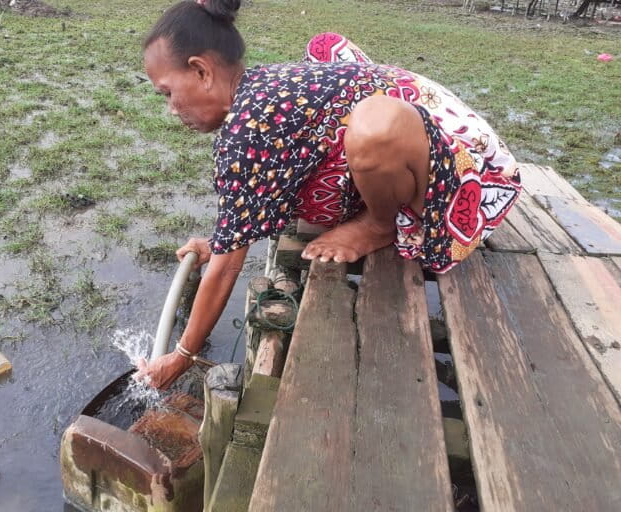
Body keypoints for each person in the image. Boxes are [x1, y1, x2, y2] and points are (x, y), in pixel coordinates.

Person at [134, 0, 521, 389]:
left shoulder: (248, 127)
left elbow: (225, 270)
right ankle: (381, 190)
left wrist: (181, 356)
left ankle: (379, 225)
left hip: (473, 177)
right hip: (435, 137)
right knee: (325, 50)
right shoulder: (257, 95)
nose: (171, 110)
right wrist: (219, 241)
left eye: (167, 93)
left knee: (374, 126)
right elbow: (258, 196)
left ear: (202, 71)